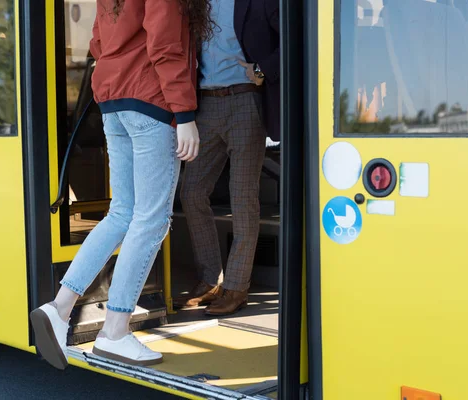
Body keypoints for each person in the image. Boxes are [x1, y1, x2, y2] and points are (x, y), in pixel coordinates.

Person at [29, 0, 213, 370]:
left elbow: (98, 42)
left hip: (113, 102)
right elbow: (165, 45)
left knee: (122, 214)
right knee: (151, 219)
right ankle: (114, 331)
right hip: (150, 102)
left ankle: (60, 307)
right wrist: (185, 114)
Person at [174, 0, 280, 315]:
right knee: (191, 192)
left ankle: (236, 287)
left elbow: (297, 37)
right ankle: (210, 280)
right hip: (204, 106)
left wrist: (263, 69)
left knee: (242, 197)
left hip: (246, 100)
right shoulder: (195, 4)